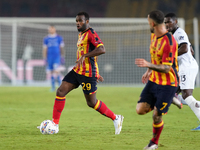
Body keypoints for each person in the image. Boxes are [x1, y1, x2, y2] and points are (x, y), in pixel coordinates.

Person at [48, 12, 124, 134]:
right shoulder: (81, 34)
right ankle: (55, 124)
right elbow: (95, 53)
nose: (78, 23)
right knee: (60, 91)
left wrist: (87, 59)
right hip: (77, 70)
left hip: (88, 74)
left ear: (87, 21)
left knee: (91, 103)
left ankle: (116, 118)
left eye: (81, 21)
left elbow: (101, 49)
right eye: (77, 21)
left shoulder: (91, 33)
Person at [135, 10, 179, 149]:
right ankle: (168, 99)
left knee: (156, 115)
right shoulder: (153, 36)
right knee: (140, 110)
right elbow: (155, 56)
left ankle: (154, 143)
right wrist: (149, 70)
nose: (148, 24)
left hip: (168, 83)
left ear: (153, 23)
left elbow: (166, 68)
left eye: (148, 22)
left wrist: (148, 64)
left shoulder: (170, 41)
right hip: (154, 80)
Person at [165, 13, 200, 130]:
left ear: (175, 22)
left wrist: (170, 57)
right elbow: (191, 50)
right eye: (165, 22)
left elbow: (185, 49)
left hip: (187, 67)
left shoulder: (179, 33)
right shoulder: (175, 34)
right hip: (185, 67)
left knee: (186, 95)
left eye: (169, 22)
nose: (167, 24)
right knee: (173, 93)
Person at [43, 25, 65, 91]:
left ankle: (60, 87)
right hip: (49, 57)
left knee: (56, 71)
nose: (51, 30)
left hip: (57, 57)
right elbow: (44, 49)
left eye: (52, 29)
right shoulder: (46, 39)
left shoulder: (59, 38)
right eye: (50, 29)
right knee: (51, 72)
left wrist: (62, 56)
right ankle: (53, 87)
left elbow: (62, 48)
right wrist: (44, 58)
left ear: (54, 29)